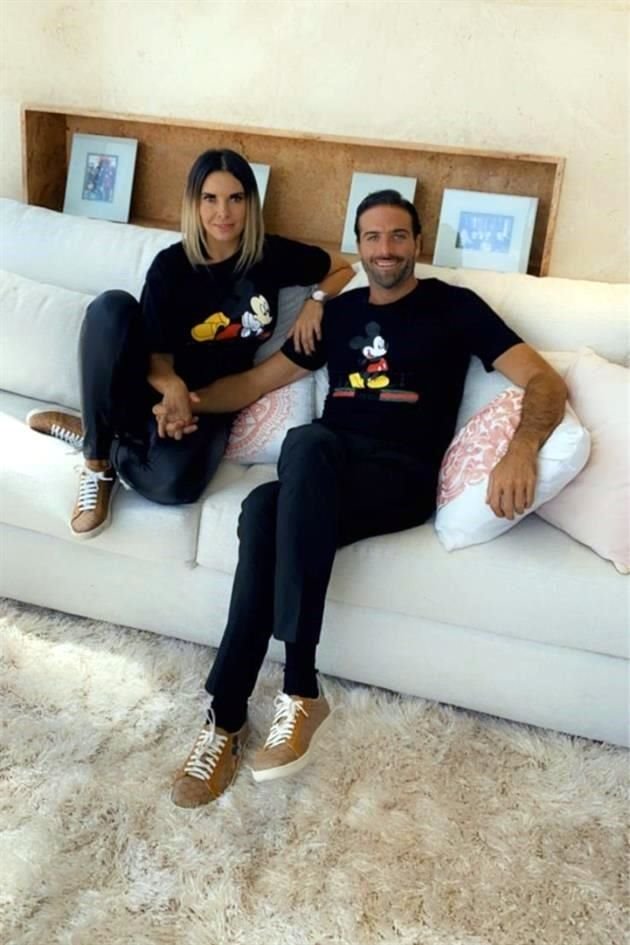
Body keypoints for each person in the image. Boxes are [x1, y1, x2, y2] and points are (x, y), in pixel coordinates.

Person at [168, 188, 568, 808]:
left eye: (398, 235)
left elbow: (543, 379)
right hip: (324, 473)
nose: (386, 249)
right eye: (373, 237)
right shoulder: (339, 314)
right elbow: (253, 382)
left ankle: (300, 682)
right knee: (262, 509)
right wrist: (177, 399)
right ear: (359, 247)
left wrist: (521, 449)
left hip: (399, 479)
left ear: (417, 244)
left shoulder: (455, 306)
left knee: (305, 447)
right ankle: (226, 719)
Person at [26, 149, 353, 538]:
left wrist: (316, 302)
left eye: (235, 198)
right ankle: (96, 463)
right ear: (194, 203)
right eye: (210, 198)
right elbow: (155, 355)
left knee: (175, 486)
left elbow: (343, 267)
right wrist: (172, 388)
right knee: (110, 308)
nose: (223, 213)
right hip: (151, 387)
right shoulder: (171, 267)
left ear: (250, 203)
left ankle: (101, 438)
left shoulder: (271, 256)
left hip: (207, 405)